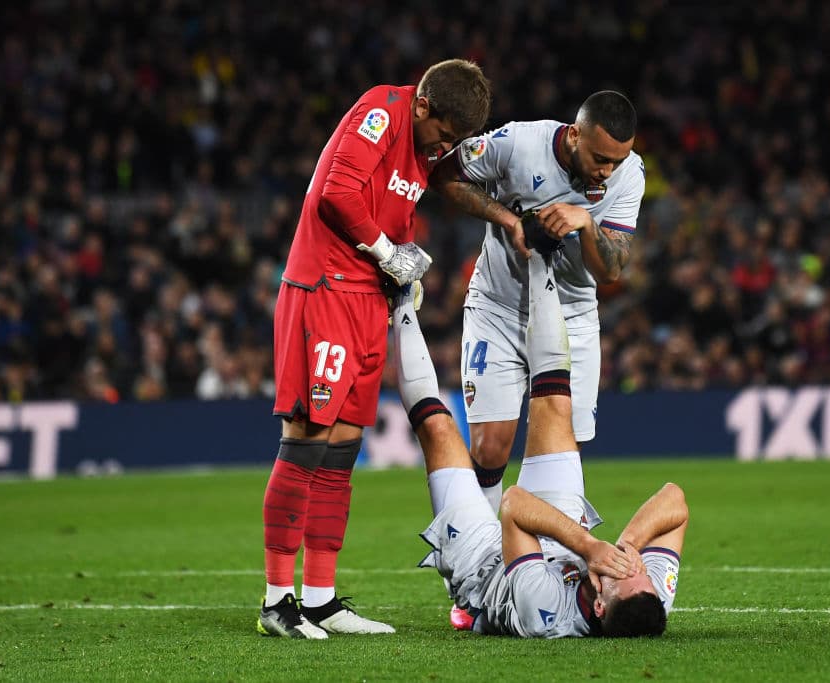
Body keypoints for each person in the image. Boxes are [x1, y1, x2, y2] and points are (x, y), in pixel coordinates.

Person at [257, 59, 492, 640]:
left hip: (367, 298)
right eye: (443, 133)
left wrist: (402, 256)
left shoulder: (423, 145)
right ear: (422, 105)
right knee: (307, 437)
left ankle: (319, 598)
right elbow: (337, 195)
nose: (446, 146)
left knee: (342, 451)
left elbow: (394, 202)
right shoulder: (382, 112)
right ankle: (276, 602)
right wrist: (389, 250)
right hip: (325, 288)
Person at [391, 243, 687, 638]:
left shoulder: (543, 610)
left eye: (622, 574)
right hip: (566, 550)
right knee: (554, 405)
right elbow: (675, 500)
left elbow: (514, 505)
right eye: (641, 572)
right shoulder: (647, 599)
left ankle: (398, 298)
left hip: (487, 566)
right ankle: (539, 252)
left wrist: (589, 548)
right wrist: (627, 546)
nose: (633, 569)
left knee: (437, 426)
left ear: (599, 604)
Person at [430, 90, 645, 514]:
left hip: (573, 317)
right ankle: (481, 560)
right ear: (573, 136)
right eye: (600, 158)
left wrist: (584, 223)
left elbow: (611, 270)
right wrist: (509, 219)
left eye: (616, 161)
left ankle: (549, 562)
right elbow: (442, 176)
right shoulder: (516, 144)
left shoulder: (629, 175)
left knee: (564, 452)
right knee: (490, 447)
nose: (607, 171)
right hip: (499, 307)